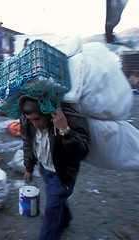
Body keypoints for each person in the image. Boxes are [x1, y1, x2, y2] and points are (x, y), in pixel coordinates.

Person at [19, 96, 90, 240]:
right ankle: (65, 219)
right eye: (30, 119)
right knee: (56, 201)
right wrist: (29, 168)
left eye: (37, 119)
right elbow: (27, 144)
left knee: (51, 208)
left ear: (48, 114)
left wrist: (65, 130)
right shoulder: (26, 121)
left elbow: (82, 151)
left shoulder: (68, 118)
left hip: (63, 173)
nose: (34, 124)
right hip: (45, 170)